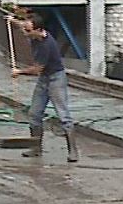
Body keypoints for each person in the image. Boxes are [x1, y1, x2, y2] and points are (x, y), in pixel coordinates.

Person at [12, 13, 78, 162]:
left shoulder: (46, 45)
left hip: (56, 79)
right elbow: (21, 25)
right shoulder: (33, 33)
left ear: (38, 30)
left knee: (63, 115)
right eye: (25, 29)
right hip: (44, 79)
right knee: (34, 114)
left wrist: (19, 72)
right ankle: (36, 148)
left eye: (28, 31)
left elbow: (37, 70)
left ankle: (73, 151)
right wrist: (12, 21)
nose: (25, 33)